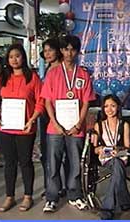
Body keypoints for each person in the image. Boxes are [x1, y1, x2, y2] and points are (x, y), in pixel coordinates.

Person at [0, 43, 44, 212]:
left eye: (17, 56)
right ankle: (9, 197)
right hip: (5, 128)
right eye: (11, 57)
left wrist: (33, 119)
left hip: (25, 128)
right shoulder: (2, 77)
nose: (14, 59)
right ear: (7, 59)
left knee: (25, 162)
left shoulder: (32, 77)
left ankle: (28, 196)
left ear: (23, 57)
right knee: (9, 163)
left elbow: (41, 100)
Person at [41, 35, 96, 212]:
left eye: (72, 49)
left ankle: (75, 195)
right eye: (65, 49)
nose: (69, 52)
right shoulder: (53, 73)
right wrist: (55, 123)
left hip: (76, 128)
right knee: (53, 163)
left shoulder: (83, 74)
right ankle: (52, 197)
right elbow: (47, 101)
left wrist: (79, 124)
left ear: (77, 51)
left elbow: (86, 102)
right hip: (55, 127)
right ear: (61, 51)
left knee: (75, 163)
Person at [92, 94, 130, 220]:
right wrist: (102, 149)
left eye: (113, 106)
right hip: (105, 157)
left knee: (117, 163)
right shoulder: (99, 125)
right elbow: (95, 148)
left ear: (118, 107)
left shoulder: (124, 125)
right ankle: (124, 200)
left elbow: (126, 146)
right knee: (116, 165)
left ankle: (107, 207)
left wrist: (117, 149)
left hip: (120, 155)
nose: (109, 109)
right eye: (106, 106)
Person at [39, 38, 68, 199]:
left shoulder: (63, 69)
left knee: (60, 154)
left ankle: (62, 186)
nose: (47, 53)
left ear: (58, 50)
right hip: (45, 115)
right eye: (45, 50)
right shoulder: (47, 69)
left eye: (50, 49)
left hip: (60, 116)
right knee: (48, 154)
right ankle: (51, 186)